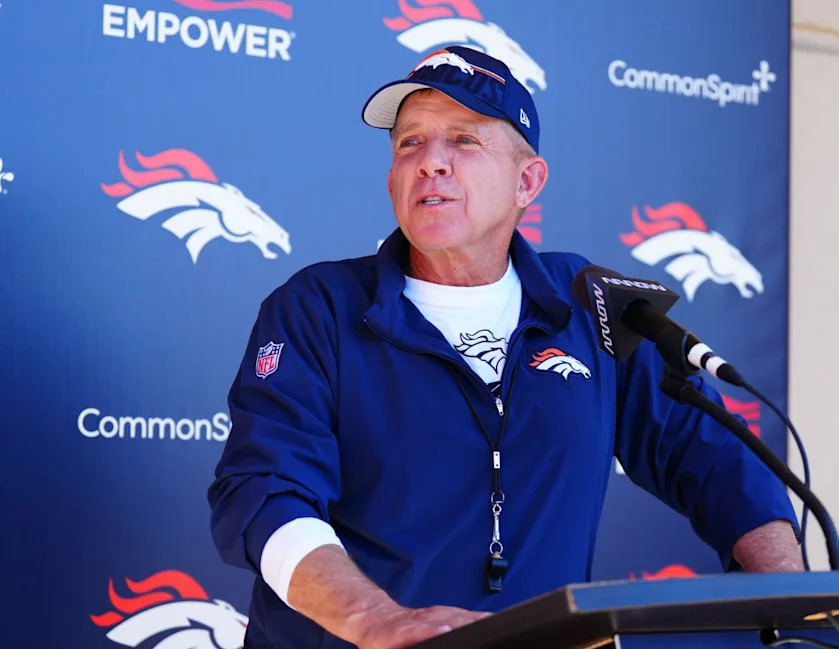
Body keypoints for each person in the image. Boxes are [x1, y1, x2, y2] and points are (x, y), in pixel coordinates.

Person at [208, 45, 802, 649]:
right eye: (410, 142)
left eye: (464, 140)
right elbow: (266, 495)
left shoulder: (591, 303)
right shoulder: (318, 306)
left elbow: (717, 462)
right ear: (391, 177)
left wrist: (797, 606)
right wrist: (376, 621)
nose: (431, 162)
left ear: (528, 181)